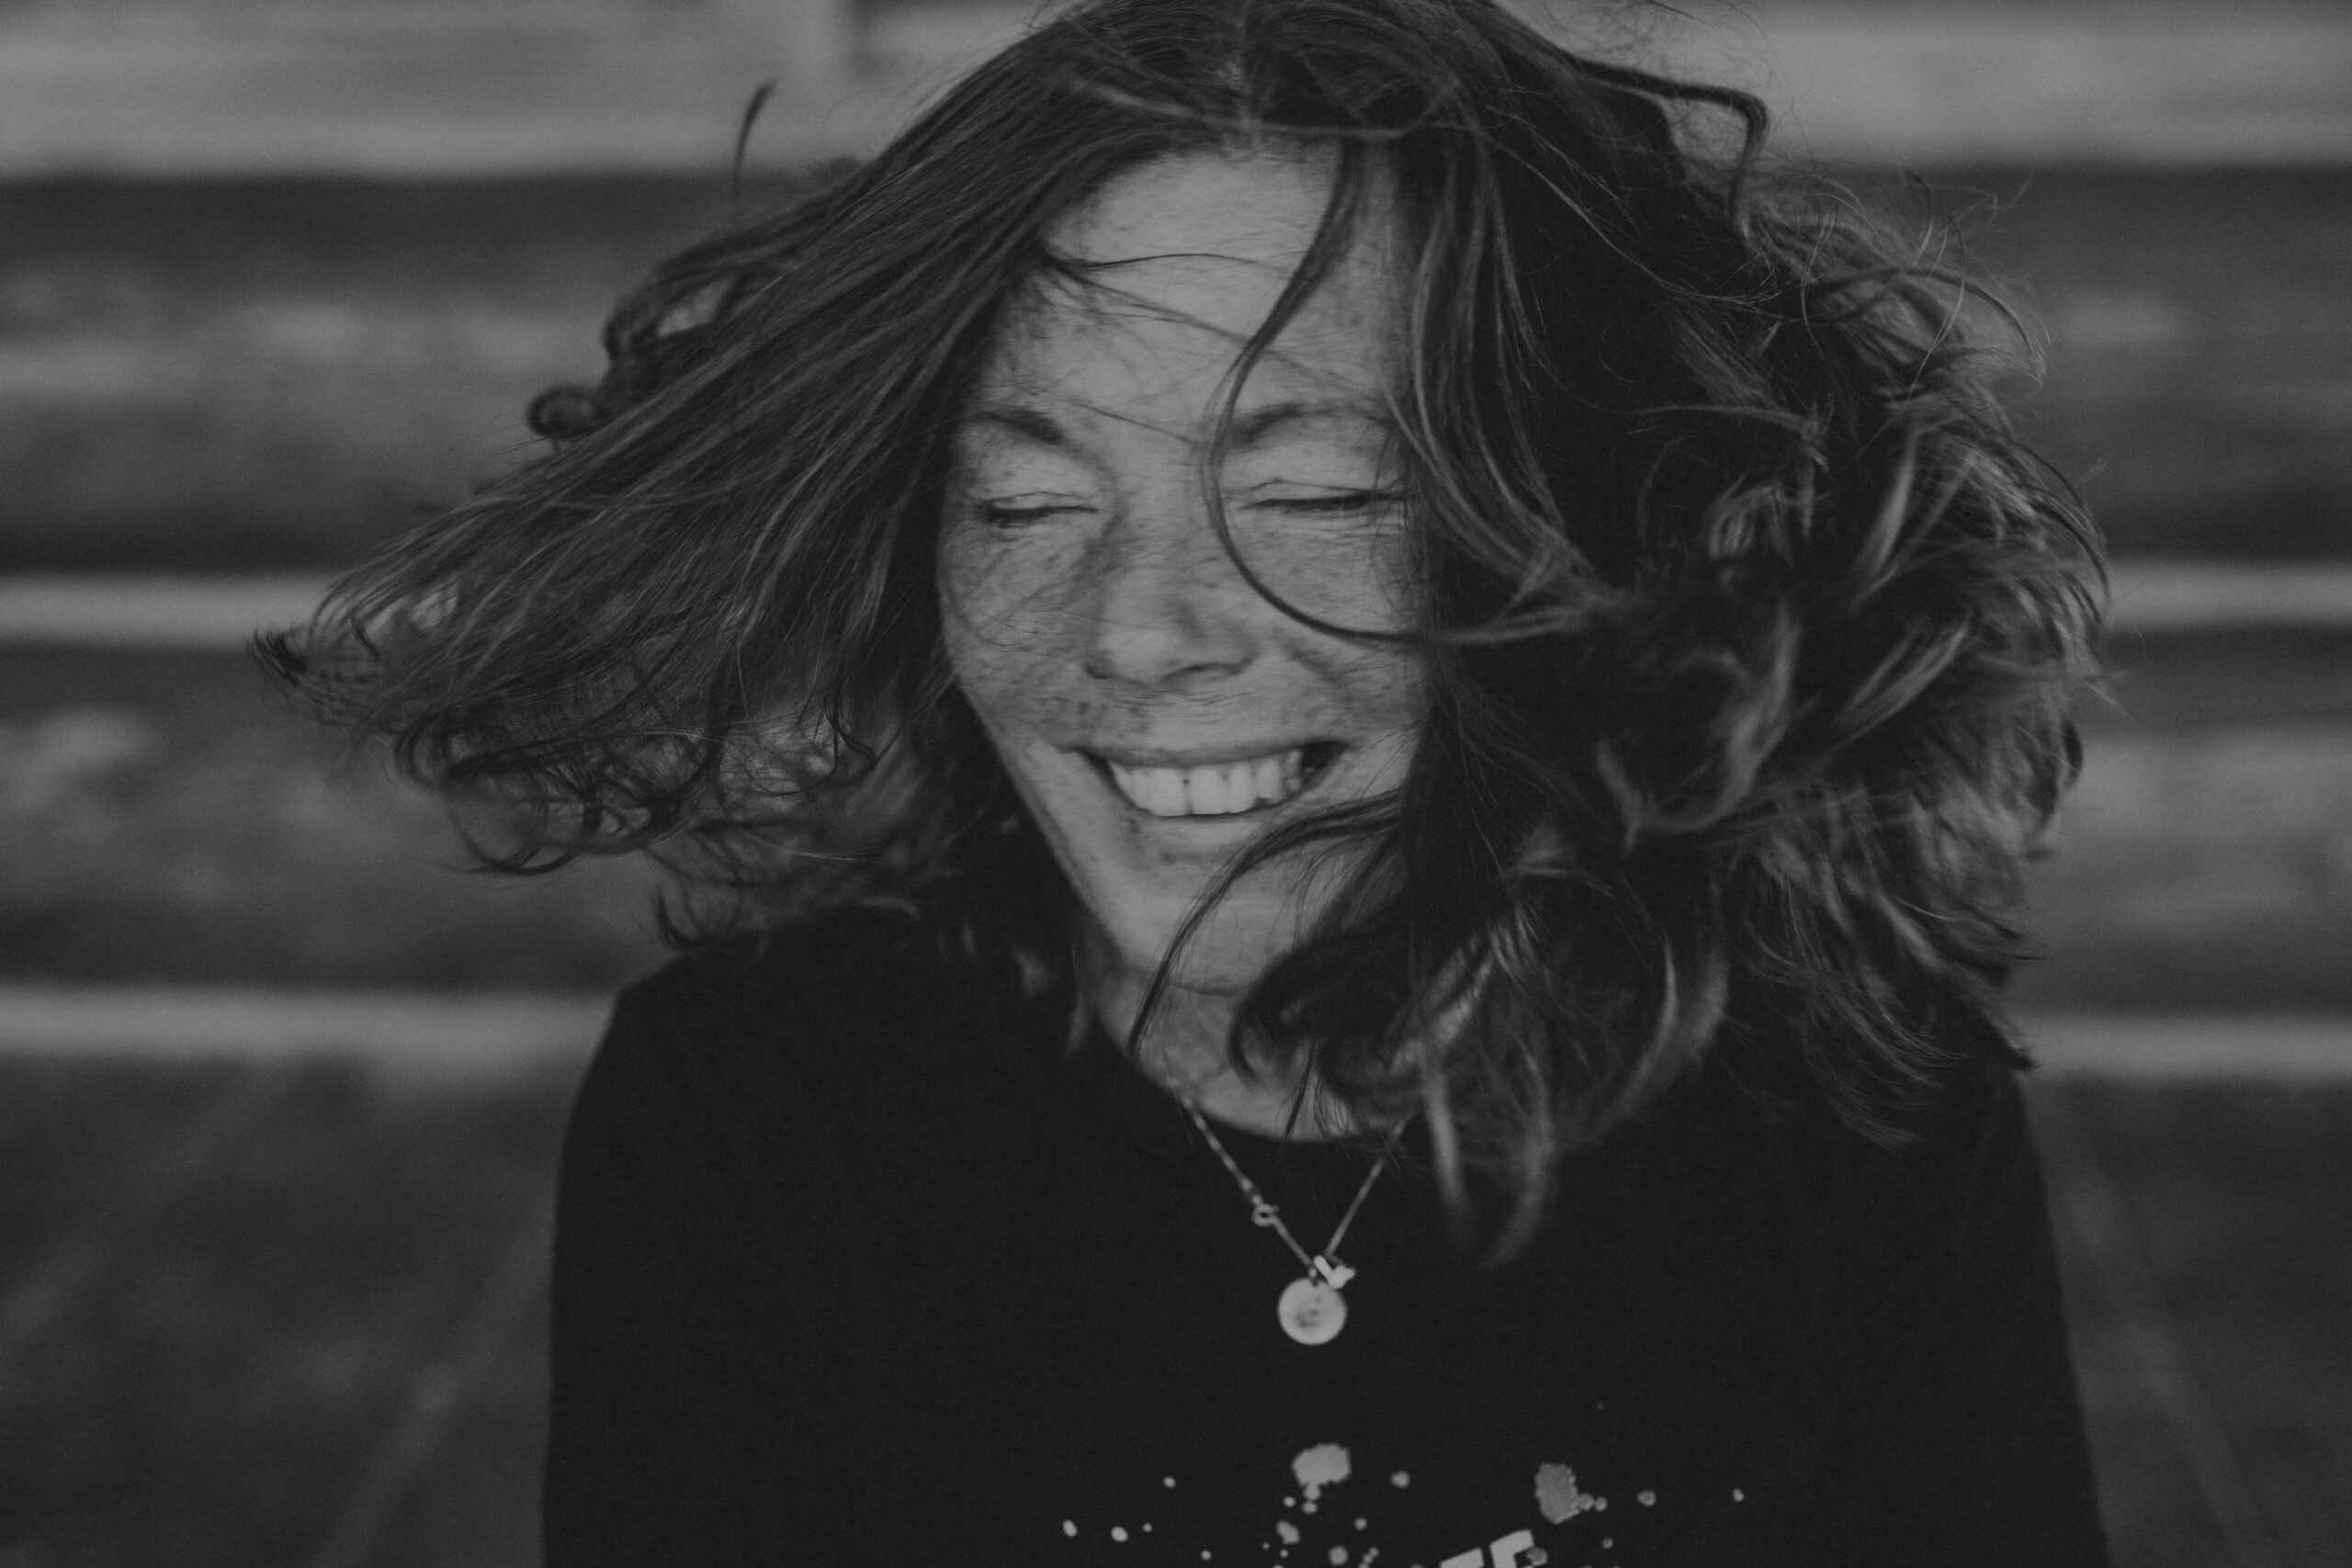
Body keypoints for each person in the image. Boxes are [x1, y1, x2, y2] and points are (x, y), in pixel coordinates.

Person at [264, 0, 2113, 1562]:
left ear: (1584, 529)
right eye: (1023, 505)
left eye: (1313, 493)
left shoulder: (1851, 1105)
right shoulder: (758, 1111)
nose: (1140, 629)